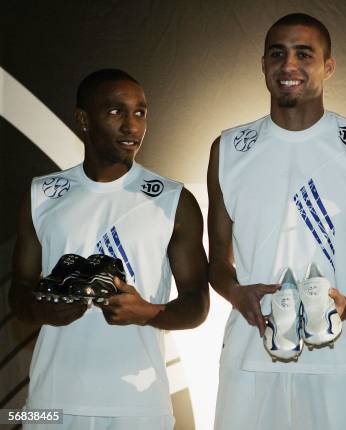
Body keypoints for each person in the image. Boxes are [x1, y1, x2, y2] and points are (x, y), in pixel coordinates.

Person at [207, 13, 346, 430]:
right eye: (277, 54)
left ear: (328, 66)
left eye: (304, 54)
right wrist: (236, 294)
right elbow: (217, 264)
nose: (289, 66)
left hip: (340, 363)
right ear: (263, 64)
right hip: (251, 360)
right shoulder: (228, 149)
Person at [9, 68, 210, 430]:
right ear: (84, 120)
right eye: (116, 112)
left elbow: (197, 305)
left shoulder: (173, 200)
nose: (132, 126)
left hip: (139, 407)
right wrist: (42, 309)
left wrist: (148, 312)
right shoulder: (41, 194)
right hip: (50, 404)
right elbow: (18, 292)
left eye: (140, 112)